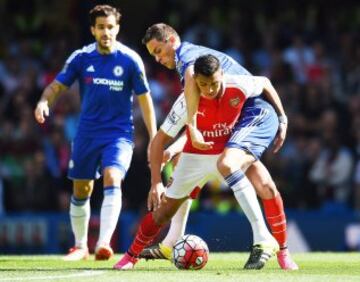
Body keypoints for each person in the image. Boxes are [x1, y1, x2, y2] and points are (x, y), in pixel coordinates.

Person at [138, 23, 298, 270]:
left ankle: (271, 244)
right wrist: (182, 144)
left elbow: (260, 84)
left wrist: (283, 118)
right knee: (189, 163)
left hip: (253, 112)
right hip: (233, 119)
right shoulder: (188, 65)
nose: (158, 59)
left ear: (171, 40)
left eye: (158, 51)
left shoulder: (190, 64)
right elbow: (200, 115)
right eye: (153, 55)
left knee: (241, 171)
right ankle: (171, 241)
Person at [114, 54, 282, 270]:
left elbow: (266, 83)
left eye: (213, 83)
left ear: (222, 74)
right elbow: (158, 142)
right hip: (194, 158)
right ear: (195, 82)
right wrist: (156, 182)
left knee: (264, 184)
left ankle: (269, 242)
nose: (209, 90)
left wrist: (282, 118)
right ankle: (131, 256)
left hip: (230, 151)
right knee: (163, 213)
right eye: (203, 85)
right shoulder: (186, 102)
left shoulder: (239, 85)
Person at [34, 5, 157, 261]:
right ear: (92, 30)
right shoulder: (81, 57)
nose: (106, 32)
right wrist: (44, 102)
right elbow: (56, 87)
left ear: (117, 28)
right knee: (82, 189)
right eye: (101, 27)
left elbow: (145, 101)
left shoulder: (131, 60)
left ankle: (103, 243)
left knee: (113, 177)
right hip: (86, 135)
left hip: (119, 135)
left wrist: (154, 136)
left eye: (110, 27)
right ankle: (80, 246)